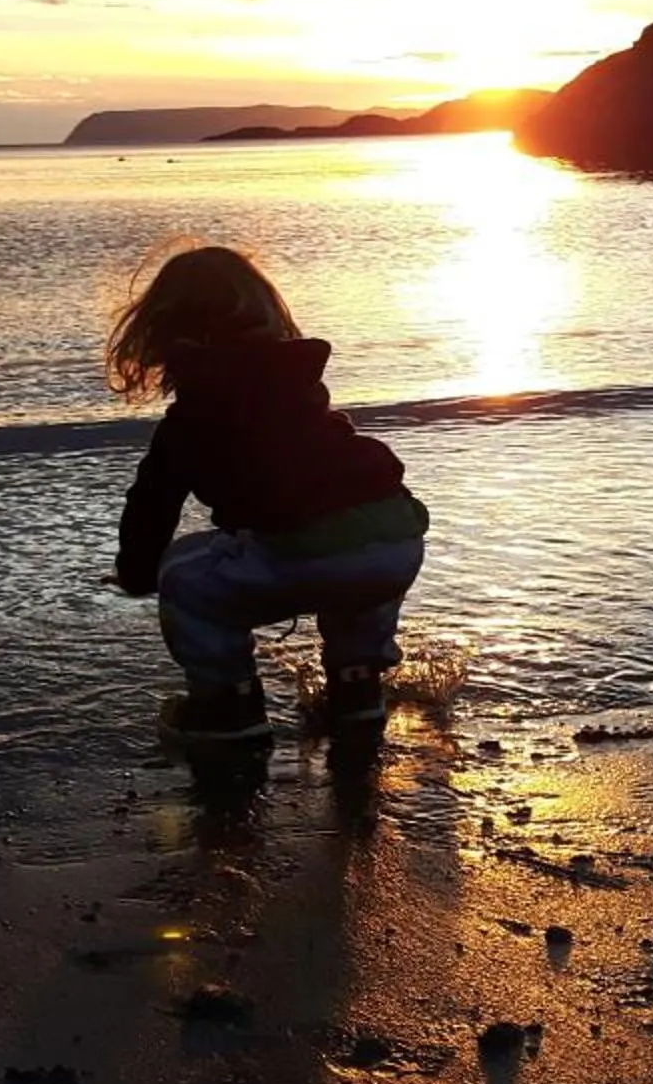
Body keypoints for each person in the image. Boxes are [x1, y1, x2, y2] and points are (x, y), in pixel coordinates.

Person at [109, 246, 429, 741]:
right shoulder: (299, 389)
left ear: (169, 333)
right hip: (396, 538)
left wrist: (136, 571)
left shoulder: (195, 415)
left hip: (311, 547)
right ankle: (357, 692)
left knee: (182, 576)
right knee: (353, 586)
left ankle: (226, 705)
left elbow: (153, 502)